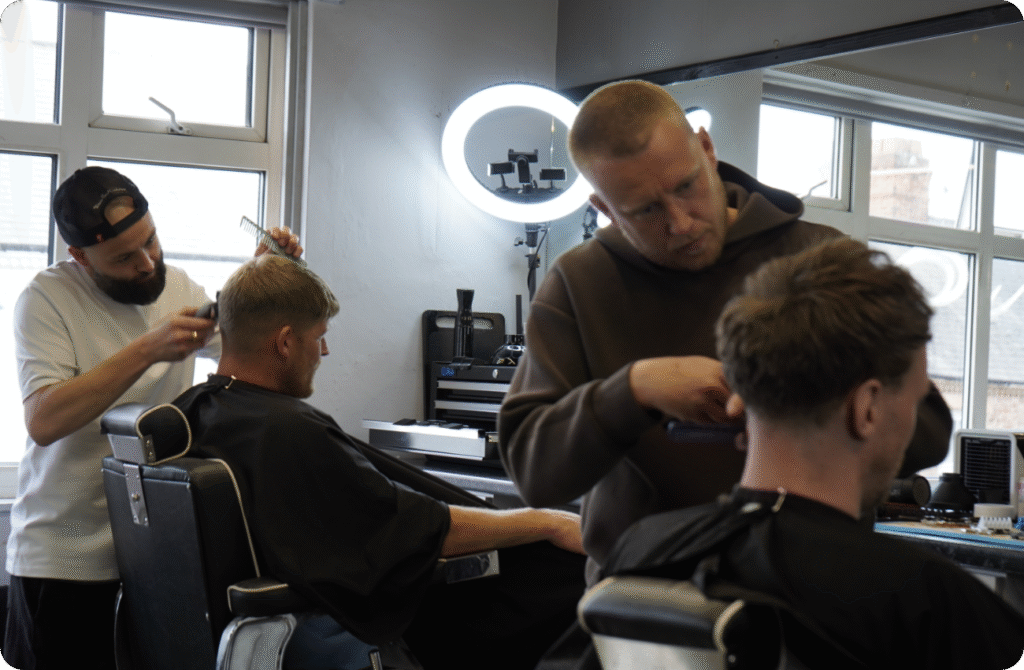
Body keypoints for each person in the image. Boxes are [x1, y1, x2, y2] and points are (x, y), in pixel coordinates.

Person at [497, 79, 952, 581]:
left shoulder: (823, 259)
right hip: (644, 596)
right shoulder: (579, 283)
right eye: (646, 211)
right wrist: (635, 390)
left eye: (686, 187)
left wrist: (805, 402)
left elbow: (928, 435)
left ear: (707, 148)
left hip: (812, 587)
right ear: (605, 209)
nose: (681, 223)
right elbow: (534, 476)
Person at [602, 238, 1024, 670]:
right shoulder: (925, 600)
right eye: (913, 402)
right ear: (867, 408)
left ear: (742, 400)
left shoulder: (643, 552)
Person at [171, 254, 587, 670]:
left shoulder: (196, 411)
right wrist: (546, 522)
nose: (324, 351)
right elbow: (415, 532)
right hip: (411, 622)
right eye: (319, 337)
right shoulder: (284, 429)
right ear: (284, 342)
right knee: (572, 580)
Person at [4, 166, 302, 670]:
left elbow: (247, 349)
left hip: (153, 555)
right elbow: (44, 420)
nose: (146, 263)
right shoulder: (46, 300)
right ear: (80, 256)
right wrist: (147, 349)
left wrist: (263, 277)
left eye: (151, 242)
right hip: (62, 562)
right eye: (124, 257)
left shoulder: (179, 287)